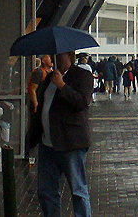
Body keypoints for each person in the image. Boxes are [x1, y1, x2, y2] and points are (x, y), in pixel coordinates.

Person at [27, 51, 93, 217]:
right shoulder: (49, 78)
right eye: (54, 56)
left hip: (71, 143)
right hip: (48, 144)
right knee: (46, 190)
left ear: (69, 56)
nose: (57, 59)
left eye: (60, 56)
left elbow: (82, 102)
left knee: (77, 189)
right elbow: (42, 106)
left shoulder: (82, 75)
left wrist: (62, 85)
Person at [26, 55, 54, 160]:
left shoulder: (51, 73)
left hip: (45, 104)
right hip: (38, 105)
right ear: (43, 60)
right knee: (35, 128)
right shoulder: (39, 72)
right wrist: (35, 103)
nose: (51, 60)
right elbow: (32, 89)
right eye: (49, 58)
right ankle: (27, 150)